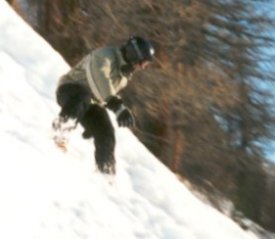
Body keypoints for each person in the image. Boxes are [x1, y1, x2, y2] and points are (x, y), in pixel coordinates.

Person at [53, 36, 155, 174]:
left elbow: (102, 96)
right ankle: (60, 132)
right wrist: (117, 106)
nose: (142, 68)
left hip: (89, 102)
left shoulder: (123, 76)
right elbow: (99, 80)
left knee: (106, 132)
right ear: (134, 54)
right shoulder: (105, 56)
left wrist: (93, 123)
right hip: (69, 89)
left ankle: (106, 173)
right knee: (83, 96)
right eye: (143, 62)